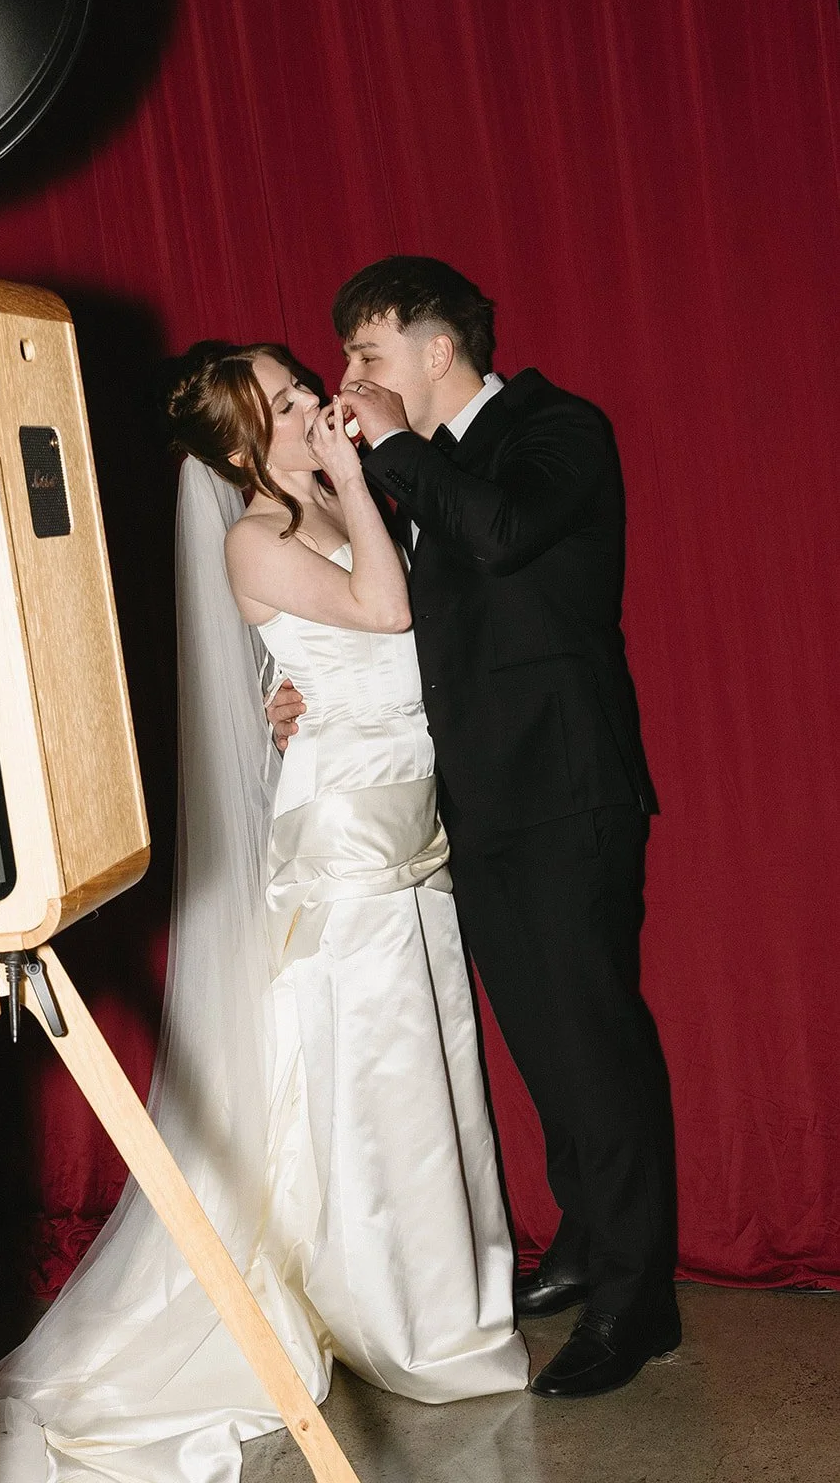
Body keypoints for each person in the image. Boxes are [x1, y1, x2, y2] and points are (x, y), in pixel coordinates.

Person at [0, 338, 525, 1483]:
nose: (316, 403)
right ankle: (407, 1318)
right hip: (344, 844)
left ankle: (434, 1289)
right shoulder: (257, 535)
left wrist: (297, 655)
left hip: (403, 821)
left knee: (426, 1053)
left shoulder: (319, 511)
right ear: (243, 444)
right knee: (377, 1067)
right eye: (292, 401)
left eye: (308, 389)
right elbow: (386, 614)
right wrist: (354, 474)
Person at [269, 258, 680, 1399]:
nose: (348, 376)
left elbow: (501, 539)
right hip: (475, 801)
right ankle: (594, 1243)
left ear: (435, 347)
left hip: (563, 787)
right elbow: (410, 625)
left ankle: (639, 1300)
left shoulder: (554, 429)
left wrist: (393, 449)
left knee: (591, 1040)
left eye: (364, 351)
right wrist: (319, 689)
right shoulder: (427, 477)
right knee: (546, 1043)